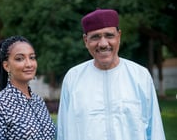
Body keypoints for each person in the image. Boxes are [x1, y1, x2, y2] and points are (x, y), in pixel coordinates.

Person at [57, 9, 166, 140]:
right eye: (95, 37)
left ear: (119, 36)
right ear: (86, 40)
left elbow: (154, 130)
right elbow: (63, 131)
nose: (103, 44)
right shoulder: (73, 78)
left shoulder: (140, 76)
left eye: (109, 35)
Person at [0, 35, 56, 139]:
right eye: (20, 59)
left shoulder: (38, 101)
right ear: (6, 66)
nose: (29, 64)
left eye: (32, 57)